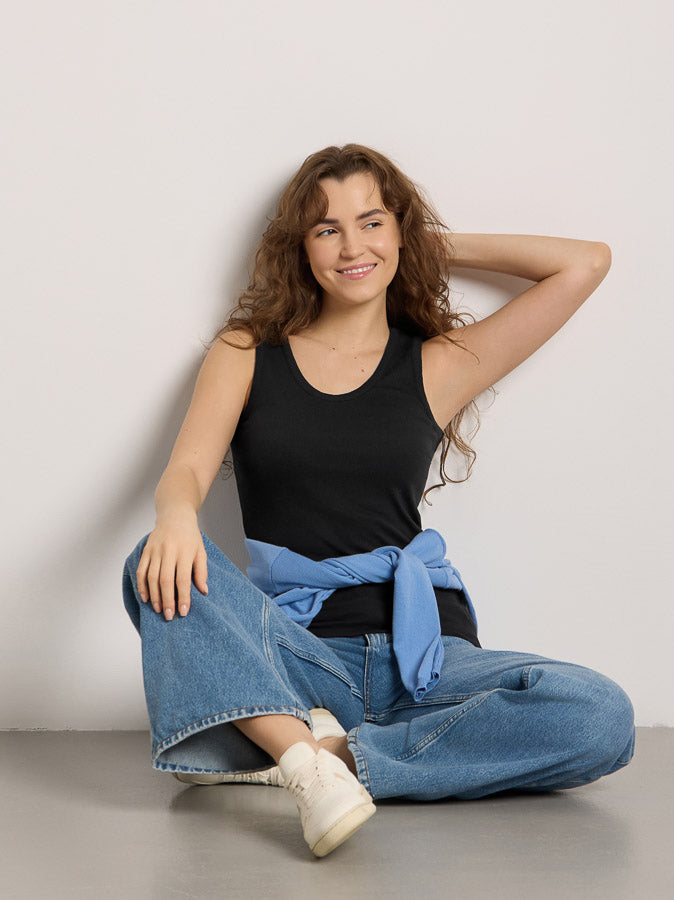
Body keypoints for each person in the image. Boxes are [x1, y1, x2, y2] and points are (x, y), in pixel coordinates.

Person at [122, 143, 635, 858]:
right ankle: (304, 766)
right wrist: (175, 515)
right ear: (301, 248)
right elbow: (185, 472)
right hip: (302, 652)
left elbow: (586, 262)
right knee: (153, 561)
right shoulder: (247, 351)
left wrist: (422, 241)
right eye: (328, 229)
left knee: (599, 715)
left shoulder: (437, 363)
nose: (352, 246)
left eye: (371, 223)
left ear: (399, 232)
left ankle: (333, 756)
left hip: (426, 657)